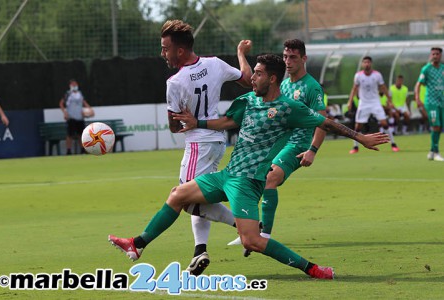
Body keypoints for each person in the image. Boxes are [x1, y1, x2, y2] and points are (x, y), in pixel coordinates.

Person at [108, 54, 390, 280]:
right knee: (177, 195)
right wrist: (198, 123)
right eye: (253, 72)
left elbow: (324, 122)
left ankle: (312, 269)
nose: (251, 77)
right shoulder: (247, 100)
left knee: (251, 241)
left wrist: (360, 137)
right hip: (228, 175)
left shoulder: (288, 108)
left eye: (257, 73)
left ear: (272, 78)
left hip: (248, 182)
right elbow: (228, 122)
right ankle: (138, 243)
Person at [160, 20, 253, 276]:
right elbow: (247, 79)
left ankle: (245, 225)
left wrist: (181, 121)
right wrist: (240, 54)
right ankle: (199, 251)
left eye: (165, 48)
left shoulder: (175, 81)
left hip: (198, 143)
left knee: (185, 199)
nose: (163, 54)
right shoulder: (215, 64)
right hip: (216, 141)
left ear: (180, 51)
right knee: (198, 195)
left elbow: (173, 126)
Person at [227, 39, 328, 252]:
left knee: (270, 178)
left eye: (293, 57)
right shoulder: (280, 84)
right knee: (253, 177)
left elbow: (322, 121)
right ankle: (250, 230)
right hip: (277, 143)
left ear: (304, 59)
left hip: (298, 144)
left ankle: (264, 235)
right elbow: (248, 79)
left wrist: (312, 150)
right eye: (285, 57)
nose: (288, 61)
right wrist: (241, 54)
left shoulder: (312, 87)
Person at [347, 56, 398, 154]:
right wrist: (350, 101)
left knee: (384, 123)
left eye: (368, 62)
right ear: (362, 64)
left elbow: (383, 87)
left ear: (371, 64)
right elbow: (354, 88)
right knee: (358, 127)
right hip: (363, 103)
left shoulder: (377, 75)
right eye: (365, 62)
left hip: (375, 103)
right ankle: (355, 147)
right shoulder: (358, 76)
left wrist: (390, 100)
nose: (367, 64)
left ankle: (393, 144)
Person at [414, 47, 444, 161]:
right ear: (431, 55)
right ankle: (436, 152)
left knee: (439, 127)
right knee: (435, 125)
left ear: (440, 55)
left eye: (437, 54)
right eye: (433, 54)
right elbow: (418, 84)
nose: (435, 56)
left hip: (441, 101)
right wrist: (417, 98)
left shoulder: (442, 68)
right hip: (431, 102)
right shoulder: (426, 69)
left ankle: (432, 151)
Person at [59, 79, 93, 155]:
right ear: (70, 86)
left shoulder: (80, 94)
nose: (75, 86)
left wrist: (90, 109)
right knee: (70, 134)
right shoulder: (68, 94)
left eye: (75, 84)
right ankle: (68, 150)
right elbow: (61, 103)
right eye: (73, 85)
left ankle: (82, 149)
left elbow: (84, 102)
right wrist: (65, 113)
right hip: (71, 117)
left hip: (80, 117)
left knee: (81, 134)